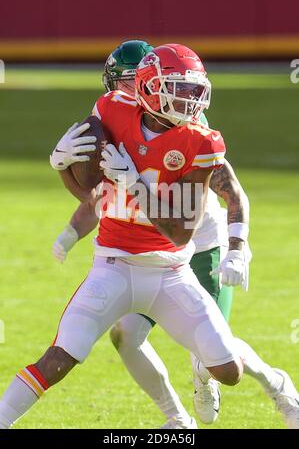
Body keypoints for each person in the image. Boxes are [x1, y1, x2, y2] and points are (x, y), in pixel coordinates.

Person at [52, 41, 299, 429]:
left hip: (199, 244)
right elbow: (105, 195)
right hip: (151, 253)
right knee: (125, 336)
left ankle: (277, 386)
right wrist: (63, 169)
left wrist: (237, 247)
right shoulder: (118, 118)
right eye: (123, 82)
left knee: (211, 354)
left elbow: (232, 191)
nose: (128, 90)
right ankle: (177, 419)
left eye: (135, 81)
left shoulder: (189, 127)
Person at [0, 43, 245, 430]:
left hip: (172, 272)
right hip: (112, 266)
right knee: (60, 357)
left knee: (229, 371)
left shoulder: (201, 141)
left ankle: (196, 385)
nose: (189, 99)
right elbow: (92, 193)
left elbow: (181, 231)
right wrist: (61, 164)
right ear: (148, 87)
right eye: (178, 88)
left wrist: (132, 182)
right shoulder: (111, 110)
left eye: (193, 89)